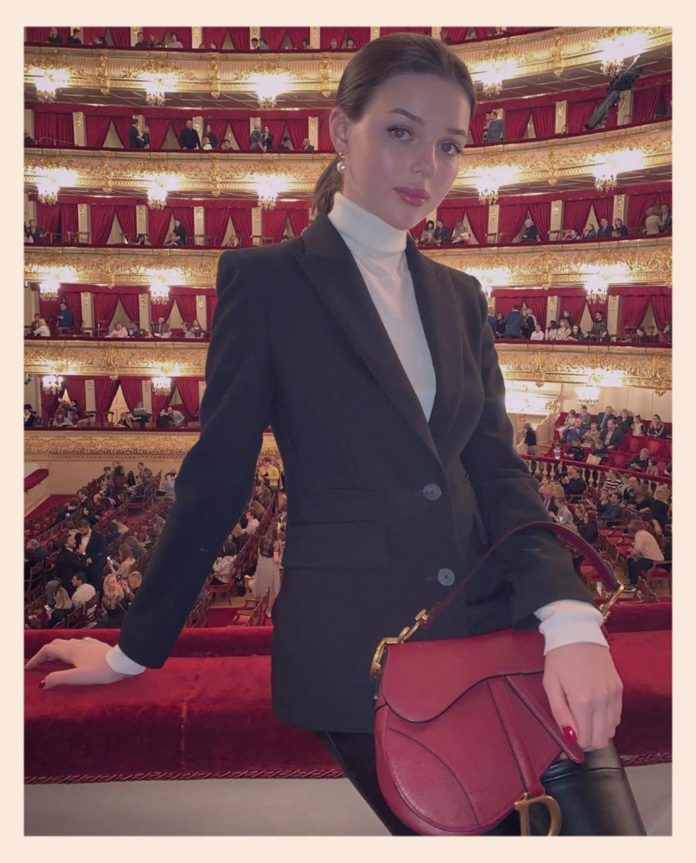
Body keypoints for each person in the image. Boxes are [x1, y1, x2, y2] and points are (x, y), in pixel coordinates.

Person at [26, 34, 638, 837]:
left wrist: (570, 618)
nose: (427, 166)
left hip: (504, 627)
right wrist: (130, 651)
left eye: (449, 145)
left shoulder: (461, 296)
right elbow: (217, 478)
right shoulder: (266, 281)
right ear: (340, 131)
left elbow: (497, 472)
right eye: (401, 131)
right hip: (357, 649)